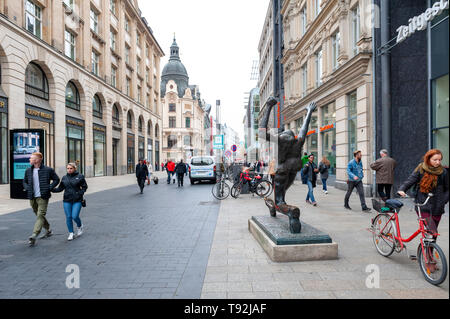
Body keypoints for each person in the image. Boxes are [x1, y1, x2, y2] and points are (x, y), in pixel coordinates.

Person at [397, 149, 449, 252]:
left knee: (433, 233)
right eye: (435, 160)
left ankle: (429, 252)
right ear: (428, 159)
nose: (438, 162)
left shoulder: (443, 172)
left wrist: (444, 200)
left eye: (439, 160)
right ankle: (428, 257)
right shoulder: (421, 169)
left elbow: (448, 189)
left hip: (438, 206)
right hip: (423, 204)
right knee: (432, 231)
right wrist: (401, 189)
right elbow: (410, 180)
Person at [22, 152, 60, 246]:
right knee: (38, 214)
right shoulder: (28, 170)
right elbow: (24, 181)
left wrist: (50, 187)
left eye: (31, 158)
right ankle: (48, 229)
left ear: (38, 160)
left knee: (40, 214)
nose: (29, 160)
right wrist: (27, 188)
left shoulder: (48, 170)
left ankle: (34, 234)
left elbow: (56, 179)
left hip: (43, 196)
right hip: (32, 196)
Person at [52, 163, 88, 241]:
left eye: (71, 168)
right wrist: (51, 189)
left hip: (77, 200)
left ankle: (79, 226)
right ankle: (71, 233)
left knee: (74, 216)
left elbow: (85, 187)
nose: (69, 170)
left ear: (75, 168)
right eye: (68, 168)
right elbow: (60, 188)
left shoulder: (80, 176)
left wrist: (79, 193)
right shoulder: (64, 178)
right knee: (68, 217)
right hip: (67, 200)